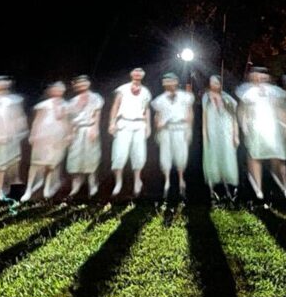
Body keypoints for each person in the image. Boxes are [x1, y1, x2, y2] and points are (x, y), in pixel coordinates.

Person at [236, 67, 286, 200]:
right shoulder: (246, 91)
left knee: (279, 157)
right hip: (255, 127)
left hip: (272, 127)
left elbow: (280, 109)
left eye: (262, 78)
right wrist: (244, 126)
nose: (259, 80)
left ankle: (284, 187)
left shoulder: (274, 92)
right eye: (256, 78)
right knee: (255, 157)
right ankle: (258, 189)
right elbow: (241, 110)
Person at [21, 81, 71, 201]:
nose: (58, 92)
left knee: (51, 164)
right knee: (36, 163)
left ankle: (47, 187)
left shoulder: (66, 105)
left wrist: (69, 134)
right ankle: (29, 189)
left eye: (60, 90)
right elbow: (37, 121)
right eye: (56, 89)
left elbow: (66, 121)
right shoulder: (43, 105)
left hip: (57, 136)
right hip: (43, 135)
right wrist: (33, 134)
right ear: (51, 91)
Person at [108, 67, 152, 197]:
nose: (138, 73)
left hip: (139, 124)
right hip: (123, 124)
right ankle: (118, 182)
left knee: (139, 154)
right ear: (131, 73)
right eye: (135, 71)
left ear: (143, 75)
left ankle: (137, 181)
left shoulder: (145, 92)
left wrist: (148, 126)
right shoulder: (122, 89)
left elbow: (147, 110)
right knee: (119, 153)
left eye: (140, 72)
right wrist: (112, 122)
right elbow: (115, 106)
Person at [151, 72, 194, 199]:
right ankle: (167, 181)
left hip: (181, 128)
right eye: (167, 81)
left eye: (172, 81)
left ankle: (181, 181)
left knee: (181, 155)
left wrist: (189, 129)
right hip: (166, 130)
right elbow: (157, 116)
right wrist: (157, 124)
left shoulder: (185, 97)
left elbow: (190, 113)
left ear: (176, 82)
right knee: (165, 155)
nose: (169, 83)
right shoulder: (159, 99)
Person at [202, 74, 239, 201]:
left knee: (226, 158)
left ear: (220, 84)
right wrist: (205, 135)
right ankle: (212, 192)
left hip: (226, 133)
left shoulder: (228, 99)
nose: (214, 85)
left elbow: (234, 118)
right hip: (212, 133)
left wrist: (236, 135)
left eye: (216, 83)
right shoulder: (206, 97)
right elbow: (204, 118)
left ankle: (228, 190)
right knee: (212, 159)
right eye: (212, 83)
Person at [65, 75, 103, 197]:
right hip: (77, 130)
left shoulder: (95, 97)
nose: (82, 85)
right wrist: (70, 133)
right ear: (75, 86)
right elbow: (70, 120)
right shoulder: (73, 101)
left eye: (84, 82)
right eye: (79, 83)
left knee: (91, 155)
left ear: (88, 83)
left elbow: (97, 115)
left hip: (89, 128)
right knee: (75, 157)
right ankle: (76, 183)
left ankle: (92, 183)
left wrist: (95, 128)